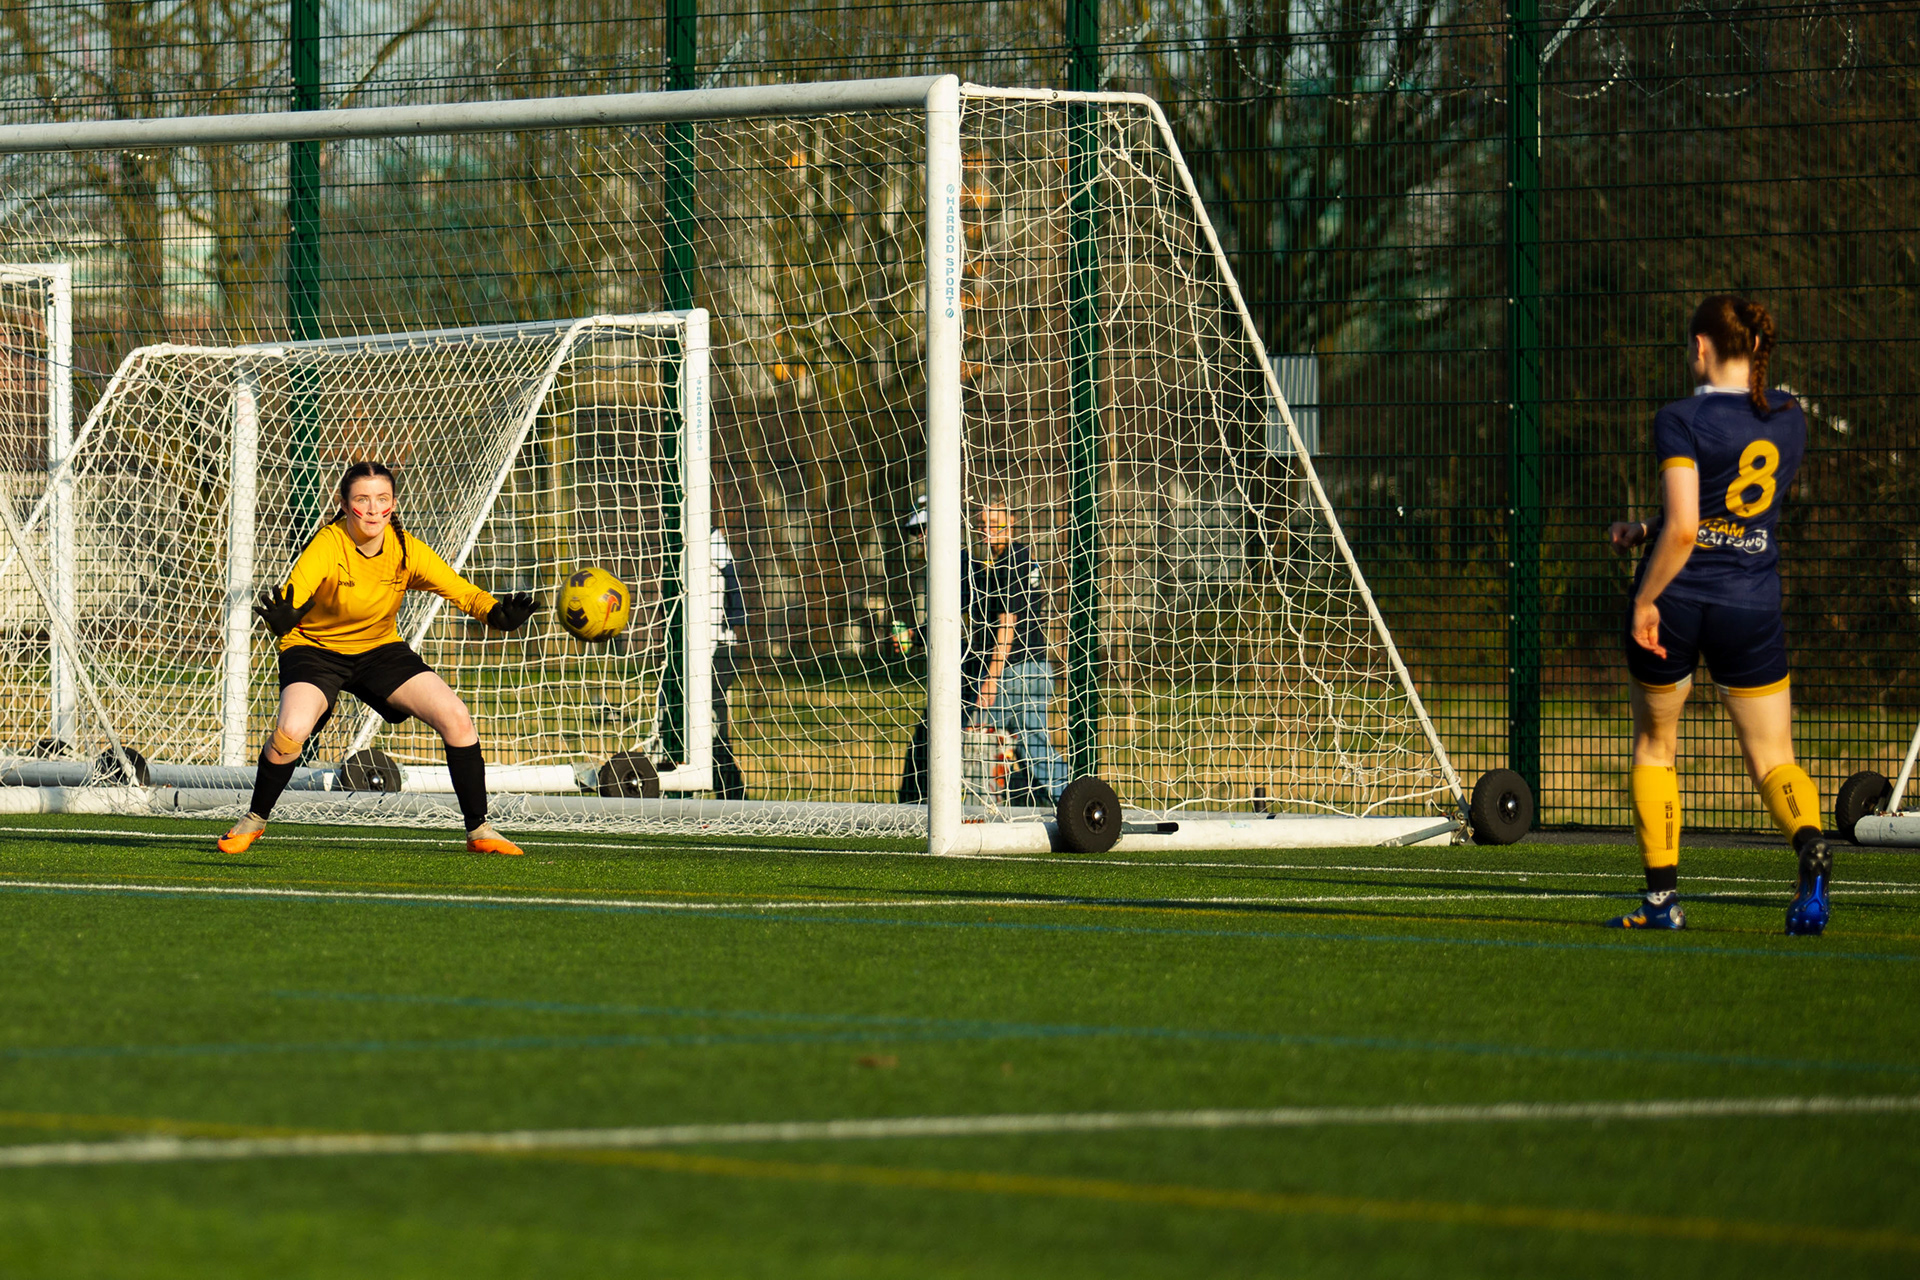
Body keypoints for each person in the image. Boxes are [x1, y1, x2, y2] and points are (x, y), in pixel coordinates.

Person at [1605, 295, 1830, 934]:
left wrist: (1645, 597)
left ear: (1702, 347)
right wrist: (1646, 527)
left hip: (1677, 604)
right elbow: (1728, 509)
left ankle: (1661, 903)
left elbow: (1687, 528)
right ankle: (1808, 842)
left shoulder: (1679, 418)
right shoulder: (1790, 418)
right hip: (1751, 604)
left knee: (1654, 748)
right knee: (1773, 757)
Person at [215, 460, 540, 857]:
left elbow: (459, 589)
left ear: (393, 504)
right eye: (362, 500)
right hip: (315, 651)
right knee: (292, 730)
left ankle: (480, 831)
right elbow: (294, 594)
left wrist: (494, 613)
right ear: (344, 503)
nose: (372, 510)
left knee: (456, 716)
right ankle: (253, 821)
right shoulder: (328, 543)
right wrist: (286, 617)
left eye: (381, 499)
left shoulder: (405, 549)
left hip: (379, 650)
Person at [968, 499, 1068, 806]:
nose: (987, 531)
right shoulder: (1017, 561)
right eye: (981, 525)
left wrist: (991, 678)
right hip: (1034, 669)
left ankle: (1072, 804)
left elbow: (1008, 624)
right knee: (1033, 744)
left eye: (994, 524)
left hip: (1018, 672)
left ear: (1011, 523)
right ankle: (1052, 801)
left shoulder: (1013, 561)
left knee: (967, 728)